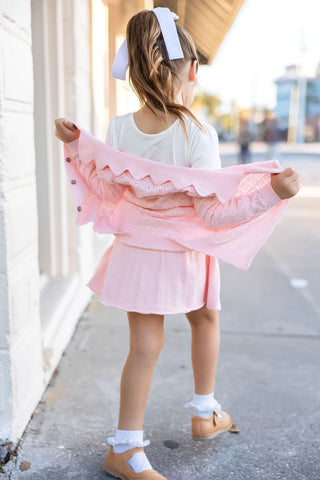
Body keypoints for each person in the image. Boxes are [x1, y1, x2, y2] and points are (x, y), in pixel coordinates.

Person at [55, 8, 300, 480]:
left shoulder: (120, 128)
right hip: (183, 256)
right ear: (190, 69)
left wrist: (76, 146)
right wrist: (272, 193)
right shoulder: (197, 133)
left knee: (144, 345)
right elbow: (212, 215)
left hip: (135, 256)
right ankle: (201, 414)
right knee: (206, 318)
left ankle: (128, 446)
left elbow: (107, 192)